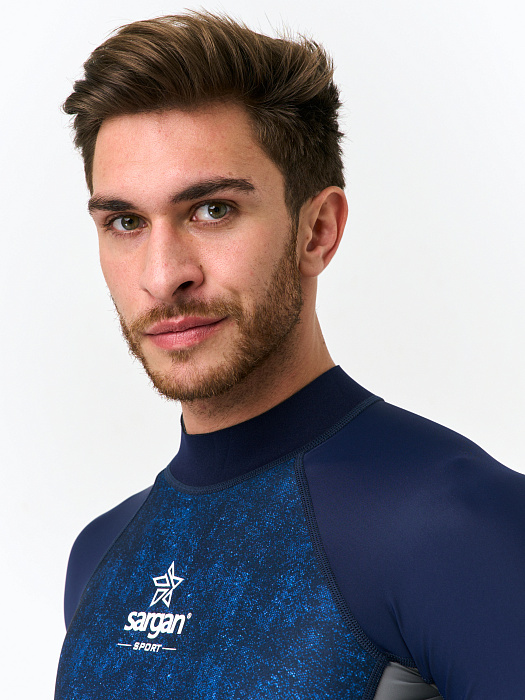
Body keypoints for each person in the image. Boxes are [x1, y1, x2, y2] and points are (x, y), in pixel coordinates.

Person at [55, 12, 525, 700]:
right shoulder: (100, 556)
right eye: (126, 222)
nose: (163, 275)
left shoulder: (460, 525)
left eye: (212, 210)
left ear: (318, 231)